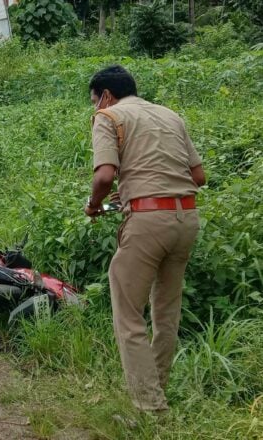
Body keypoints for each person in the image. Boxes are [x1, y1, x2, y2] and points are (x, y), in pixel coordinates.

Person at [84, 65, 206, 412]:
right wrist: (140, 190)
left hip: (148, 223)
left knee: (129, 313)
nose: (96, 108)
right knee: (166, 312)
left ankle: (150, 408)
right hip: (186, 219)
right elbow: (198, 176)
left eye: (95, 101)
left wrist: (94, 205)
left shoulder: (109, 117)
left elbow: (105, 175)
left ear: (106, 96)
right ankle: (158, 389)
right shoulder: (170, 115)